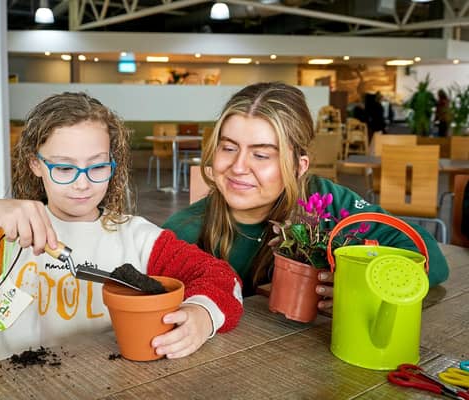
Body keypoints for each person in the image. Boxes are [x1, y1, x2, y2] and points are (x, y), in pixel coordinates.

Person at [0, 92, 243, 363]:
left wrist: (201, 315)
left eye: (96, 167)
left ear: (113, 163)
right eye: (64, 168)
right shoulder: (4, 239)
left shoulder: (138, 238)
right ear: (35, 164)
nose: (82, 184)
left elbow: (222, 279)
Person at [162, 82, 449, 307]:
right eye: (228, 148)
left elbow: (429, 256)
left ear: (300, 166)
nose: (238, 167)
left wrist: (365, 286)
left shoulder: (328, 203)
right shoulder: (183, 229)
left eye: (261, 155)